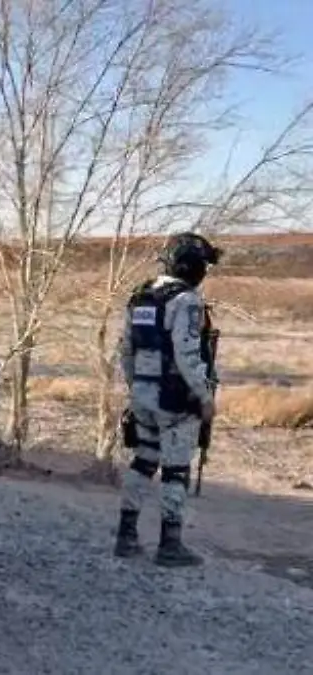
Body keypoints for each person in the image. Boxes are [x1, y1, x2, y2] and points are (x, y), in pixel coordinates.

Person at [114, 231, 221, 567]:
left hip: (143, 394)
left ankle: (126, 536)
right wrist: (204, 396)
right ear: (192, 265)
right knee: (176, 470)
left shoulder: (140, 297)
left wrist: (136, 387)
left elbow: (126, 350)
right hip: (175, 399)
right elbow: (187, 355)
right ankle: (170, 545)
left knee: (143, 461)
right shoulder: (186, 301)